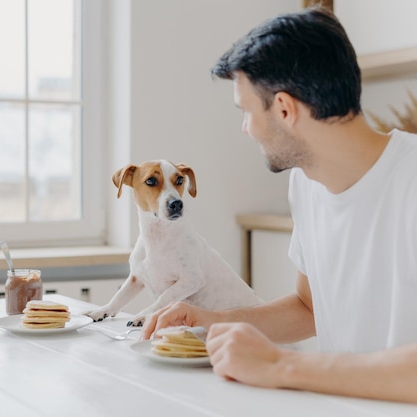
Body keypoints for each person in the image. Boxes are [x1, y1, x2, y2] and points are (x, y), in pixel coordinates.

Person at [141, 6, 417, 404]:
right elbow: (310, 308)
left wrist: (279, 366)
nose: (245, 128)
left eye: (246, 112)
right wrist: (211, 321)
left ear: (285, 109)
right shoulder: (305, 183)